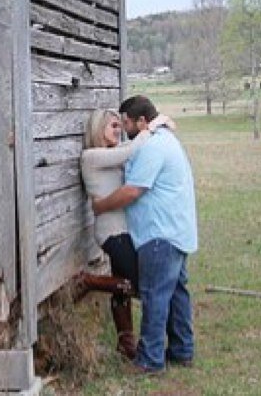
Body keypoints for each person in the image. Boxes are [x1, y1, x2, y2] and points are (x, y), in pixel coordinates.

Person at [88, 95, 198, 373]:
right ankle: (182, 350)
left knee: (155, 294)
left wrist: (100, 206)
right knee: (175, 293)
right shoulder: (162, 140)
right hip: (176, 229)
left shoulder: (153, 146)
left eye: (125, 123)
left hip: (159, 233)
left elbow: (133, 190)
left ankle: (150, 360)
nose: (123, 129)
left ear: (141, 122)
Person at [79, 108, 167, 359]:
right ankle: (89, 281)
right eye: (113, 126)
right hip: (112, 233)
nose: (118, 131)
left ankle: (125, 342)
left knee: (122, 287)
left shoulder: (110, 155)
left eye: (120, 126)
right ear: (98, 130)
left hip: (124, 231)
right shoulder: (91, 157)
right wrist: (150, 128)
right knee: (136, 285)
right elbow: (131, 151)